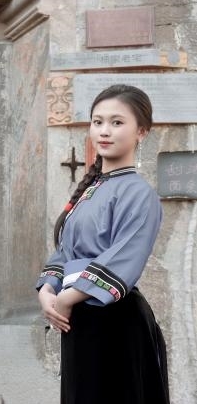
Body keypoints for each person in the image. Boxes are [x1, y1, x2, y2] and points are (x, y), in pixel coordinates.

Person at [36, 84, 169, 404]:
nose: (104, 131)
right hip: (78, 319)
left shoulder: (140, 193)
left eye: (117, 122)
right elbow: (65, 251)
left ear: (142, 132)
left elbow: (124, 259)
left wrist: (67, 298)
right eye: (97, 122)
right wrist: (47, 290)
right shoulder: (90, 190)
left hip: (116, 322)